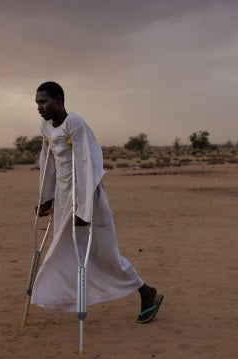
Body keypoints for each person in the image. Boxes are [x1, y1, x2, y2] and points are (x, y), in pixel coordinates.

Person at [30, 81, 163, 323]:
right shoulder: (46, 126)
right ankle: (62, 297)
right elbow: (47, 162)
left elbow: (86, 164)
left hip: (86, 198)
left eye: (44, 101)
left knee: (102, 254)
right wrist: (46, 198)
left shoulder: (75, 123)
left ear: (59, 99)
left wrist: (84, 209)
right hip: (63, 200)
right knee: (66, 252)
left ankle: (145, 291)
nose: (39, 107)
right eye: (37, 102)